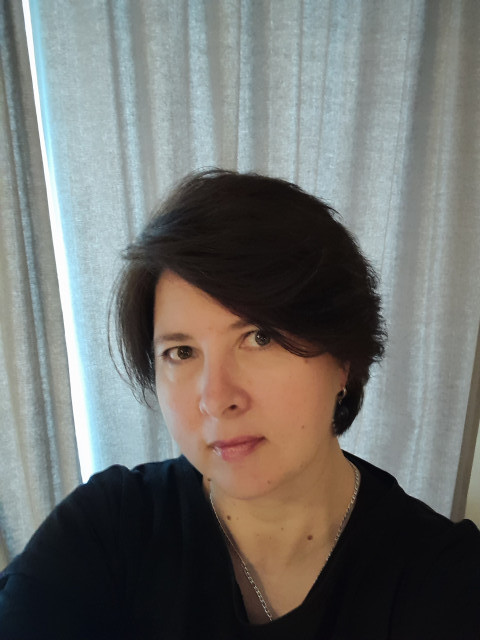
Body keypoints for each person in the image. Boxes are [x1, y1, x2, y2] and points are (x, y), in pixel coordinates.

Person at [0, 169, 479, 639]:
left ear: (343, 361)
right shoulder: (109, 529)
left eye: (259, 337)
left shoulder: (442, 579)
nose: (215, 399)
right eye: (181, 352)